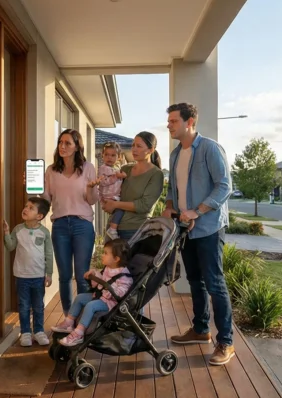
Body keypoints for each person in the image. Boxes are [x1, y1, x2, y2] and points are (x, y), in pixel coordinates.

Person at [161, 102, 235, 366]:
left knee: (215, 283)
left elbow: (225, 186)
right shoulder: (174, 154)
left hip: (208, 227)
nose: (169, 125)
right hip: (185, 229)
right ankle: (201, 330)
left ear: (189, 122)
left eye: (173, 121)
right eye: (168, 121)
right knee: (195, 280)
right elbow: (173, 188)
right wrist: (169, 206)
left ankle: (225, 341)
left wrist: (197, 211)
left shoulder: (210, 149)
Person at [43, 129, 101, 334]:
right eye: (60, 142)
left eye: (67, 143)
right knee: (65, 275)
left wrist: (92, 188)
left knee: (82, 275)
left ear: (77, 146)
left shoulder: (87, 168)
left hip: (82, 224)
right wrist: (30, 189)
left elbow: (92, 201)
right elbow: (45, 199)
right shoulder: (51, 170)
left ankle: (83, 320)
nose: (62, 146)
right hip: (59, 225)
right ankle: (69, 318)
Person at [57, 238, 133, 347]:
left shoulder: (124, 276)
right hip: (101, 296)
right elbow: (102, 281)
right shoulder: (108, 268)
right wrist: (94, 275)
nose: (102, 255)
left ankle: (79, 333)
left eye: (105, 253)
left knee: (90, 305)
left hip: (110, 303)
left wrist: (110, 291)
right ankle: (69, 323)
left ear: (116, 259)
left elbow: (121, 292)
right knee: (79, 297)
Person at [2, 197, 54, 347]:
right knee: (24, 305)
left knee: (38, 306)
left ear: (39, 216)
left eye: (31, 208)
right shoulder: (18, 229)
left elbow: (49, 253)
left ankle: (38, 331)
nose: (25, 209)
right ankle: (25, 332)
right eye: (26, 206)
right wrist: (6, 233)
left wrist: (48, 273)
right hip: (21, 276)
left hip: (38, 276)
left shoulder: (44, 232)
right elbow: (10, 246)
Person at [100, 132, 166, 242]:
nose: (134, 149)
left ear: (151, 150)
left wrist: (115, 204)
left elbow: (144, 205)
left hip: (135, 230)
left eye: (139, 146)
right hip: (112, 228)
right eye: (133, 145)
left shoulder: (156, 174)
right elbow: (110, 189)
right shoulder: (125, 169)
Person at [98, 142, 128, 239]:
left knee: (119, 211)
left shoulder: (115, 168)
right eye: (106, 155)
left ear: (118, 157)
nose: (109, 158)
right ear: (102, 155)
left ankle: (112, 227)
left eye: (113, 155)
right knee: (120, 208)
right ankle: (112, 229)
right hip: (108, 196)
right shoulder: (103, 168)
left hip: (114, 196)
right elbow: (103, 182)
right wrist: (116, 176)